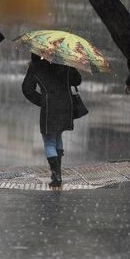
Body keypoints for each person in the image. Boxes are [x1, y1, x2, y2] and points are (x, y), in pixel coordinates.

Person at [22, 54, 82, 187]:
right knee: (58, 135)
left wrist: (42, 101)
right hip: (66, 106)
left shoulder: (36, 66)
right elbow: (77, 80)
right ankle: (57, 174)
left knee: (49, 140)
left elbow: (27, 89)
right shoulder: (64, 63)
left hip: (50, 108)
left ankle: (56, 176)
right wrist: (71, 65)